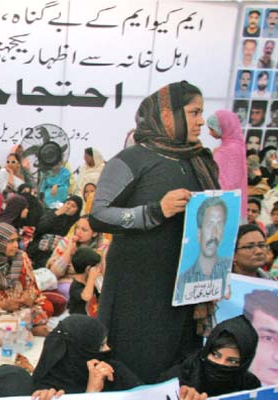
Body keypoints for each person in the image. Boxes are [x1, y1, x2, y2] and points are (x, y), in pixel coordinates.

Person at [89, 81, 219, 383]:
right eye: (194, 112)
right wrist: (154, 211)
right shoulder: (131, 160)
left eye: (202, 112)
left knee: (180, 369)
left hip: (186, 290)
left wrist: (217, 269)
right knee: (138, 367)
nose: (201, 121)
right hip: (138, 292)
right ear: (168, 115)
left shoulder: (199, 160)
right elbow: (98, 215)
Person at [0, 222, 51, 334]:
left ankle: (19, 328)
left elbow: (32, 287)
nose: (16, 245)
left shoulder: (21, 257)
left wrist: (28, 297)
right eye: (10, 241)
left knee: (48, 306)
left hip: (19, 304)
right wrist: (5, 305)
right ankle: (29, 329)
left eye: (17, 240)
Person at [32, 315, 142, 394]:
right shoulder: (48, 392)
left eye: (106, 343)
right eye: (101, 346)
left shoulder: (113, 371)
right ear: (80, 352)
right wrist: (91, 394)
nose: (108, 349)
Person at [159, 316, 261, 397]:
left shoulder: (250, 387)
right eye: (216, 355)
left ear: (244, 363)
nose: (221, 364)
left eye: (232, 361)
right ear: (207, 351)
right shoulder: (177, 378)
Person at [174, 196, 233, 303]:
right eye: (209, 225)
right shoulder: (182, 281)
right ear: (199, 233)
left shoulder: (231, 271)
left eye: (219, 225)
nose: (214, 233)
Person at [207, 110, 248, 218]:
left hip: (224, 203)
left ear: (223, 127)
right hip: (236, 200)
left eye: (212, 129)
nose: (209, 133)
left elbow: (221, 180)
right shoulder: (238, 146)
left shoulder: (226, 151)